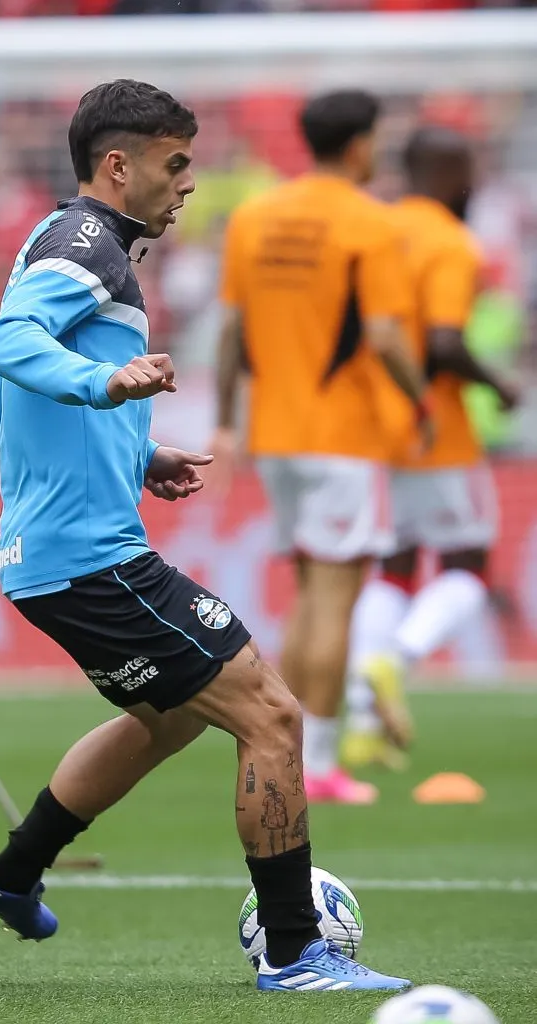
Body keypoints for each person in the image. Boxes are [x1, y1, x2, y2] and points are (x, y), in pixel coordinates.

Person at [0, 79, 409, 994]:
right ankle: (292, 952)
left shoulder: (76, 243)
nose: (188, 182)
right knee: (270, 715)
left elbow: (7, 417)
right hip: (87, 557)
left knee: (165, 723)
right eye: (175, 163)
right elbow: (10, 344)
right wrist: (109, 390)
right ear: (118, 166)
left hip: (55, 552)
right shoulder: (86, 242)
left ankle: (7, 875)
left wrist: (137, 449)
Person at [210, 90, 432, 804]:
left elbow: (230, 329)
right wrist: (421, 399)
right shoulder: (370, 221)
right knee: (335, 599)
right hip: (341, 433)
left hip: (272, 431)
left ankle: (288, 750)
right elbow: (387, 335)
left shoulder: (254, 215)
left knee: (309, 593)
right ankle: (324, 764)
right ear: (363, 144)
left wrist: (224, 417)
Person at [344, 126, 519, 770]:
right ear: (445, 172)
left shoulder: (378, 231)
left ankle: (363, 722)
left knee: (393, 563)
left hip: (375, 427)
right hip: (435, 424)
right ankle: (397, 659)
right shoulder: (450, 241)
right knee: (467, 565)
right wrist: (499, 384)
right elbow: (443, 344)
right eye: (467, 170)